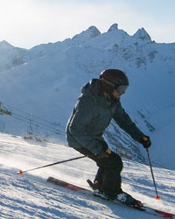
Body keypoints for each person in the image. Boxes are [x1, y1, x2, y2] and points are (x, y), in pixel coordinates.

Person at [65, 68, 152, 207]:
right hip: (79, 139)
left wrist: (140, 137)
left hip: (95, 137)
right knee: (114, 162)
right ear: (109, 86)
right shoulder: (88, 102)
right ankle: (112, 192)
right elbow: (75, 129)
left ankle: (100, 186)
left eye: (124, 89)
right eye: (120, 89)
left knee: (107, 160)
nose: (122, 93)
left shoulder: (112, 101)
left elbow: (124, 120)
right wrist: (97, 148)